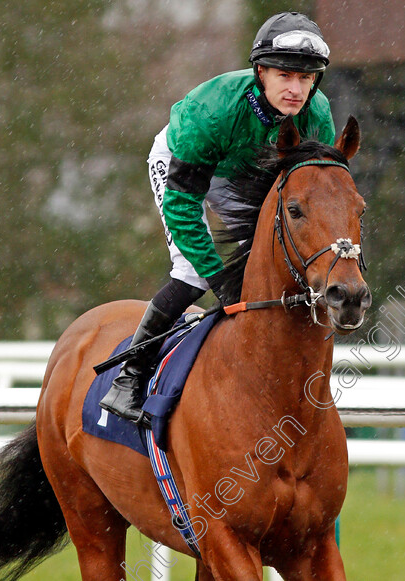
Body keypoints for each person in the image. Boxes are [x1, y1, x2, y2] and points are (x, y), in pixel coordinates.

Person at [100, 12, 336, 425]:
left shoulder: (318, 115)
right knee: (192, 271)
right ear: (260, 72)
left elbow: (313, 195)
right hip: (184, 164)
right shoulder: (214, 112)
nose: (297, 89)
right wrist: (220, 281)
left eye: (306, 78)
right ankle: (128, 378)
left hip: (247, 172)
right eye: (285, 76)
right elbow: (183, 206)